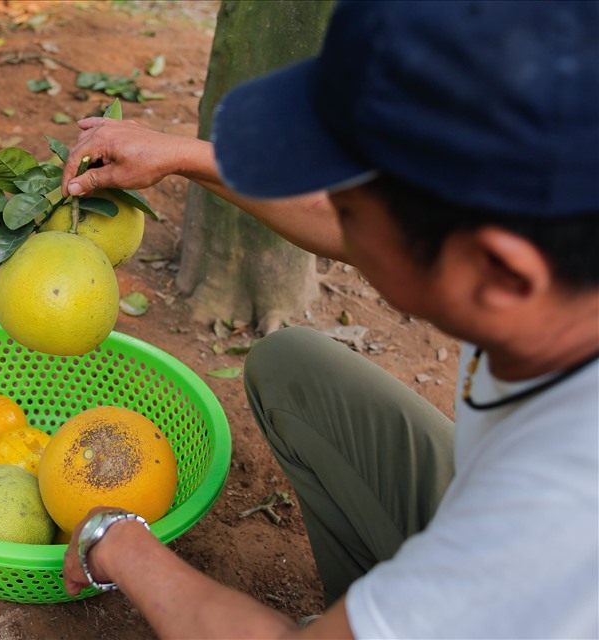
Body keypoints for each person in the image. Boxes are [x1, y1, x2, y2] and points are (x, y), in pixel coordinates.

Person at [55, 1, 599, 638]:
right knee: (296, 371)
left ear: (501, 273)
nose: (334, 216)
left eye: (351, 206)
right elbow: (367, 223)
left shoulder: (555, 511)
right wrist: (182, 156)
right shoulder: (558, 223)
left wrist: (114, 540)